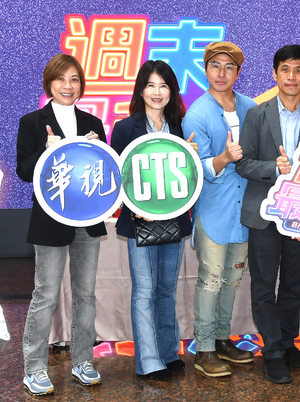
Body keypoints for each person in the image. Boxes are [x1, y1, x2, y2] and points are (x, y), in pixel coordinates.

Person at [236, 44, 300, 384]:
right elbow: (243, 164)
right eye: (285, 70)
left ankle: (288, 343)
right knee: (263, 285)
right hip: (264, 213)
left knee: (293, 284)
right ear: (275, 74)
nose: (291, 76)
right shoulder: (256, 115)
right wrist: (274, 168)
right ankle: (273, 351)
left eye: (298, 70)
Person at [16, 53, 106, 395]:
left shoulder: (93, 123)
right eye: (61, 79)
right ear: (49, 84)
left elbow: (105, 175)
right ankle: (34, 367)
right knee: (46, 294)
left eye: (74, 79)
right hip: (50, 220)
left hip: (88, 221)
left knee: (86, 294)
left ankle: (83, 361)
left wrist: (99, 151)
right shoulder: (32, 122)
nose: (68, 86)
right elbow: (24, 171)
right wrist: (45, 150)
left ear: (81, 85)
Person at [110, 60, 196, 381]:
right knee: (145, 290)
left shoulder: (179, 127)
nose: (157, 92)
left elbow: (188, 176)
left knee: (166, 289)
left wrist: (191, 156)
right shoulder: (125, 128)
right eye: (150, 85)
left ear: (172, 91)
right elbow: (117, 177)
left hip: (174, 218)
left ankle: (168, 353)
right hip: (140, 220)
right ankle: (148, 360)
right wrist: (134, 206)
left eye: (163, 86)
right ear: (141, 90)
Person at [182, 41, 256, 377]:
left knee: (232, 278)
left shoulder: (251, 108)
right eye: (215, 65)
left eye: (229, 67)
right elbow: (195, 166)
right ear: (205, 69)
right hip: (213, 210)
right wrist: (224, 158)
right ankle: (204, 349)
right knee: (211, 280)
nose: (222, 73)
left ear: (238, 72)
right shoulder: (197, 114)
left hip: (245, 212)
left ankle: (223, 340)